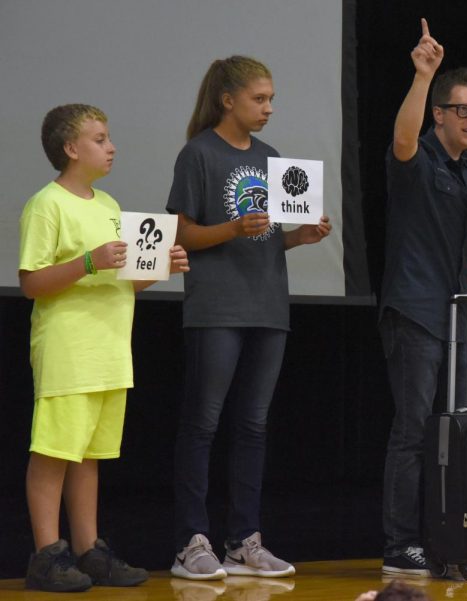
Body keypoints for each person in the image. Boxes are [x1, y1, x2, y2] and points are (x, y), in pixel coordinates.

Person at [166, 55, 331, 580]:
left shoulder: (271, 157)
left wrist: (296, 238)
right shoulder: (199, 153)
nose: (268, 108)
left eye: (271, 99)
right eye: (260, 99)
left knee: (254, 426)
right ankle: (192, 542)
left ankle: (243, 540)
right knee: (203, 424)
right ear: (228, 99)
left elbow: (263, 239)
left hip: (267, 305)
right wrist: (231, 229)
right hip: (216, 306)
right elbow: (182, 232)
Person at [19, 104, 189, 592]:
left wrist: (159, 269)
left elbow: (122, 285)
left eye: (108, 137)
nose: (111, 146)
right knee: (53, 451)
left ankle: (89, 549)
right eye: (99, 138)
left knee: (87, 455)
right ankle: (47, 555)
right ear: (71, 149)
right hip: (69, 348)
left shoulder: (110, 206)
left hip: (110, 350)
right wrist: (88, 262)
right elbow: (32, 282)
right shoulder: (46, 204)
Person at [379, 19, 467, 576]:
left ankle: (445, 536)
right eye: (464, 110)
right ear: (440, 114)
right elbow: (403, 138)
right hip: (414, 308)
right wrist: (423, 75)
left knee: (449, 435)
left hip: (458, 314)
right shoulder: (420, 157)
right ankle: (399, 544)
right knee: (412, 430)